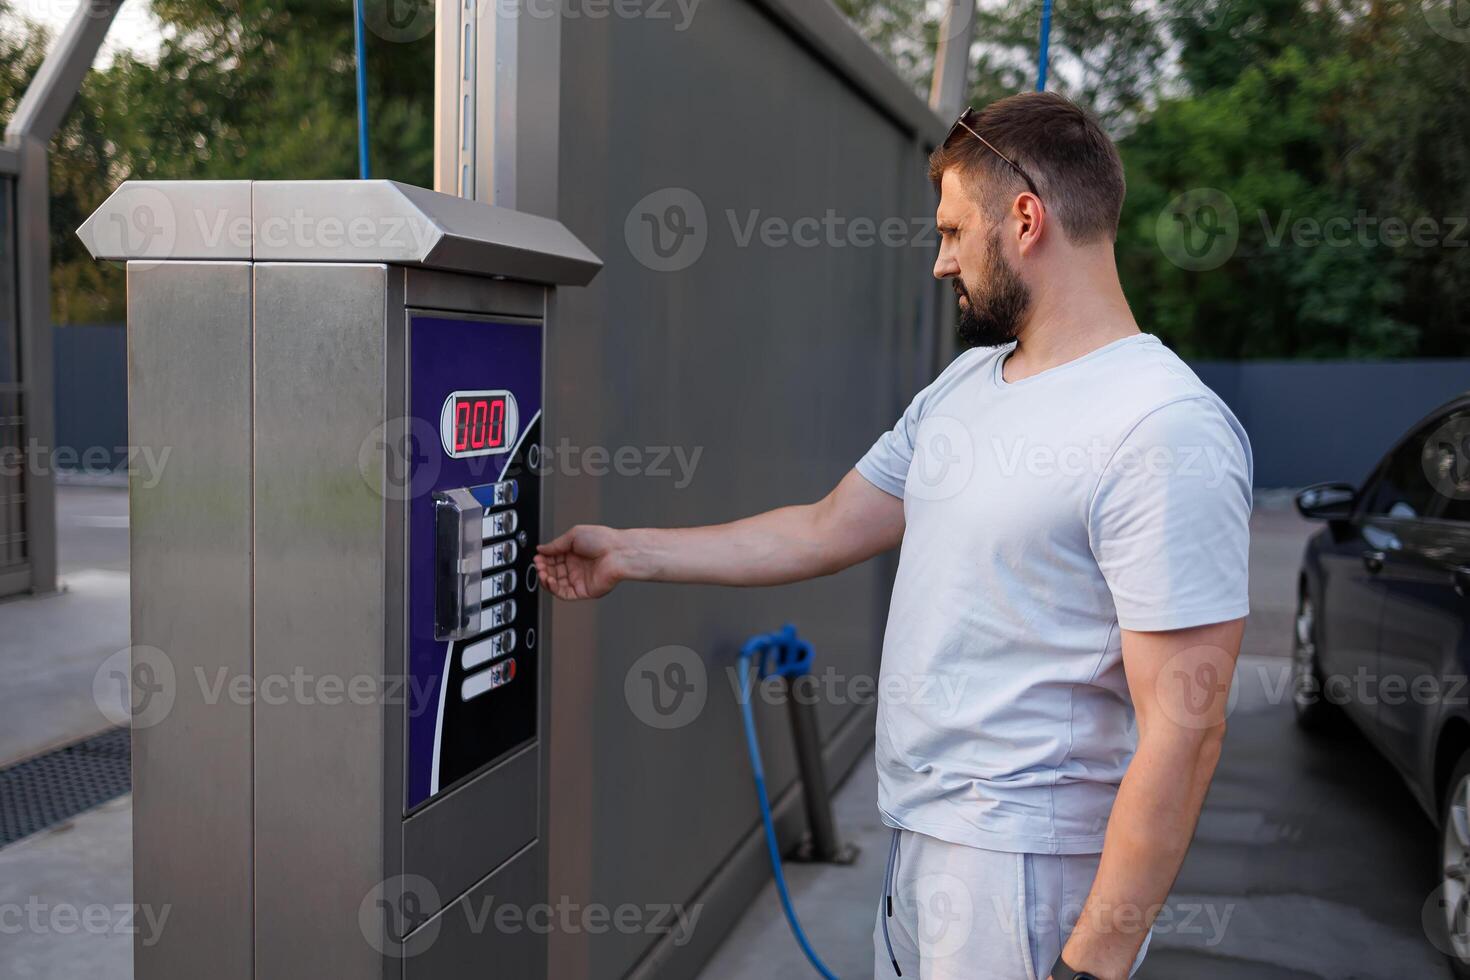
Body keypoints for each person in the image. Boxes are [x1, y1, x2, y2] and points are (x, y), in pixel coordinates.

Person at [532, 91, 1251, 980]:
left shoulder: (1161, 426)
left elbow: (1187, 727)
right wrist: (630, 551)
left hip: (1026, 872)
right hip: (916, 839)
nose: (941, 262)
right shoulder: (965, 388)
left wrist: (1094, 963)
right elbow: (824, 527)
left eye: (953, 231)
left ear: (1025, 220)